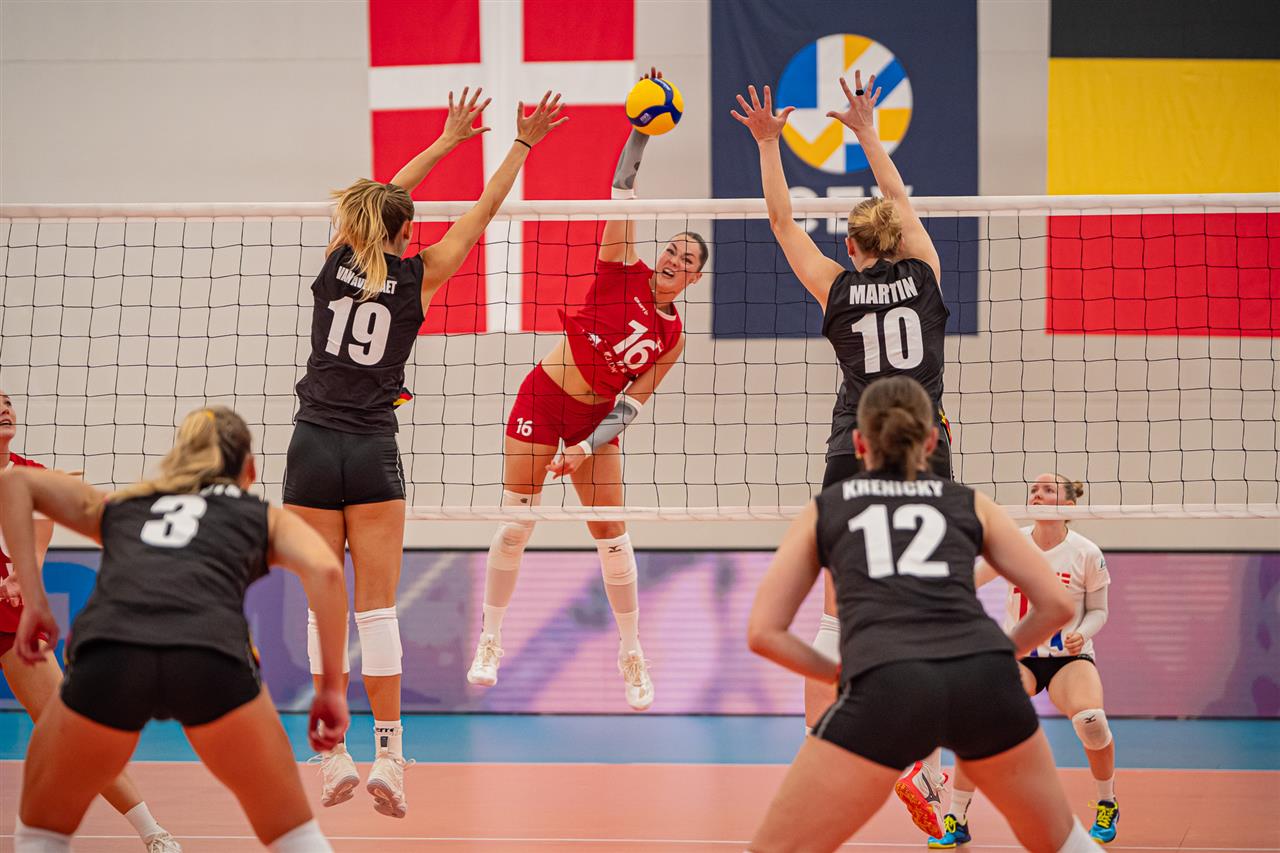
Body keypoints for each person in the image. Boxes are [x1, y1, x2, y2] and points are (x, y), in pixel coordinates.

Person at [282, 88, 567, 814]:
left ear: (361, 225)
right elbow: (485, 210)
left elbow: (386, 197)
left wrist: (443, 141)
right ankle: (389, 756)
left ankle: (331, 756)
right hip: (371, 449)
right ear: (408, 235)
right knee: (376, 611)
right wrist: (522, 143)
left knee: (323, 609)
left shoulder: (338, 259)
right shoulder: (421, 276)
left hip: (311, 445)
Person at [744, 376, 1099, 853]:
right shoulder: (971, 504)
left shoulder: (827, 510)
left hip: (887, 682)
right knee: (1064, 842)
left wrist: (839, 674)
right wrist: (997, 655)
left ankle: (923, 774)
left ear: (859, 444)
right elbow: (1057, 605)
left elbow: (764, 633)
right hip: (982, 680)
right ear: (932, 442)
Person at [733, 70, 954, 828]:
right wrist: (868, 135)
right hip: (924, 448)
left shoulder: (835, 287)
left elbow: (782, 222)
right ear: (895, 238)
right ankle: (926, 767)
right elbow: (899, 201)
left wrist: (770, 144)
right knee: (925, 606)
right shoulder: (924, 275)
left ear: (852, 246)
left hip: (850, 450)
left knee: (837, 610)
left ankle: (824, 747)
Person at [0, 406, 349, 853]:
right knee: (295, 836)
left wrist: (33, 600)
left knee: (42, 835)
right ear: (250, 470)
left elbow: (15, 484)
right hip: (209, 658)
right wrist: (331, 691)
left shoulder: (128, 505)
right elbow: (327, 573)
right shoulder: (259, 515)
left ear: (177, 458)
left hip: (111, 655)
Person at [466, 69, 707, 711]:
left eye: (687, 260)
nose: (674, 259)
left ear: (694, 279)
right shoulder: (620, 265)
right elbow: (621, 190)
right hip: (544, 398)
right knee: (517, 522)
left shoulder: (673, 337)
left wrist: (586, 446)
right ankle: (490, 639)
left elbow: (632, 402)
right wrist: (640, 132)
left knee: (612, 534)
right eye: (673, 249)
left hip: (596, 423)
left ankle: (632, 652)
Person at [0, 391, 181, 853]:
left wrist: (21, 577)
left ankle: (154, 834)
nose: (4, 408)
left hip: (12, 620)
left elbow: (35, 550)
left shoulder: (34, 476)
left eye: (8, 401)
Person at [929, 473, 1117, 848]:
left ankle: (1106, 804)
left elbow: (1099, 610)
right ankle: (957, 816)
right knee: (979, 723)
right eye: (1034, 489)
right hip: (1020, 656)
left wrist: (1084, 632)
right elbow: (968, 582)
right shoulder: (1013, 542)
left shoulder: (1086, 552)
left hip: (1069, 658)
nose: (1037, 494)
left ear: (1069, 505)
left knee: (1091, 721)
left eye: (1048, 490)